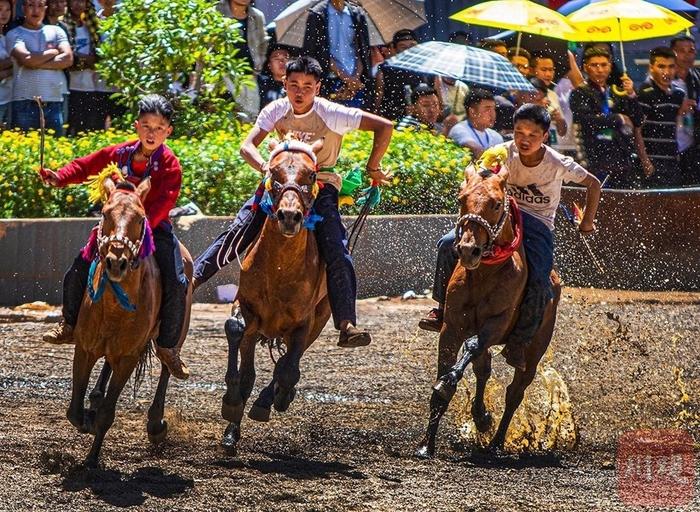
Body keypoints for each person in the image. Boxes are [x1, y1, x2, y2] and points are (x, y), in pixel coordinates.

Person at [193, 56, 393, 348]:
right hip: (280, 183)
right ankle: (193, 280)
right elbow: (247, 146)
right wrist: (265, 167)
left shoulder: (331, 112)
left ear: (318, 88)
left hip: (319, 185)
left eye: (308, 87)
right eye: (294, 85)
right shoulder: (276, 108)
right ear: (283, 84)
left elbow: (384, 126)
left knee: (336, 247)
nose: (300, 92)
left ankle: (347, 323)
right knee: (241, 227)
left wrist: (373, 167)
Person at [419, 104, 601, 372]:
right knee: (448, 244)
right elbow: (479, 181)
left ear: (545, 136)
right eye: (519, 132)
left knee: (542, 282)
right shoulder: (501, 154)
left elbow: (594, 184)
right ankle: (441, 309)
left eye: (532, 134)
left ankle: (519, 341)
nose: (524, 139)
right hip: (500, 216)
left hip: (538, 224)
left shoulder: (557, 163)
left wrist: (587, 221)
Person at [39, 94, 190, 380]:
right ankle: (70, 324)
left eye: (159, 127)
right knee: (77, 268)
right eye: (146, 125)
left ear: (168, 131)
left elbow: (164, 203)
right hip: (113, 228)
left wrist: (138, 225)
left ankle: (168, 346)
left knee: (177, 281)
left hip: (152, 227)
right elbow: (86, 166)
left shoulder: (170, 165)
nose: (151, 132)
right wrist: (59, 177)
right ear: (136, 126)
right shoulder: (120, 154)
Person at [570, 46, 643, 188]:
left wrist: (631, 95)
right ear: (585, 67)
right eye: (594, 65)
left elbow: (637, 120)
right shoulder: (580, 93)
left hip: (620, 160)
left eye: (604, 65)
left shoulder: (616, 92)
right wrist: (617, 119)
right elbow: (586, 120)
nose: (600, 69)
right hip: (593, 159)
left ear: (610, 66)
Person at [7, 0, 73, 134]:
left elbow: (68, 59)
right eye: (31, 5)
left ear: (46, 8)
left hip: (53, 101)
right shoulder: (14, 34)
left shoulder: (57, 31)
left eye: (40, 5)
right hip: (24, 102)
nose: (36, 10)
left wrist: (35, 63)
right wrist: (53, 52)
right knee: (24, 149)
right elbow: (27, 59)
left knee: (55, 149)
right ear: (24, 8)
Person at [303, 0, 372, 109]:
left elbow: (362, 51)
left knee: (357, 123)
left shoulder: (357, 14)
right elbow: (316, 54)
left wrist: (354, 80)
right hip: (329, 81)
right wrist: (347, 79)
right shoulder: (317, 14)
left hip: (356, 81)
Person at [636, 46, 688, 187]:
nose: (667, 72)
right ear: (651, 67)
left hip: (672, 162)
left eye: (671, 66)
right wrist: (645, 161)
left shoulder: (678, 94)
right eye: (661, 66)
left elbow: (675, 125)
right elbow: (637, 130)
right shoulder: (645, 93)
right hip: (652, 163)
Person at [216, 0, 267, 121]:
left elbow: (262, 45)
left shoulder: (257, 16)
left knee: (249, 120)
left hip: (249, 79)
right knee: (222, 120)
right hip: (222, 77)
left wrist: (257, 69)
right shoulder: (216, 13)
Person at [374, 29, 431, 121]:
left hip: (420, 120)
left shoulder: (424, 69)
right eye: (403, 47)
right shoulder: (385, 70)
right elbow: (378, 100)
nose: (409, 50)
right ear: (394, 48)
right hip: (392, 119)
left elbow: (431, 98)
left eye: (412, 46)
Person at [64, 0, 103, 134]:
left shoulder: (90, 26)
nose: (77, 4)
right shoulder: (64, 24)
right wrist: (86, 60)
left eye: (81, 1)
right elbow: (69, 57)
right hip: (71, 86)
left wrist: (82, 60)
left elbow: (98, 54)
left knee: (87, 129)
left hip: (90, 85)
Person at [671, 35, 700, 185]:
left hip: (693, 145)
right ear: (672, 53)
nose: (687, 55)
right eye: (681, 51)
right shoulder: (662, 78)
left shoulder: (697, 78)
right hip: (669, 145)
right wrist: (676, 109)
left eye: (691, 51)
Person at [448, 88, 503, 158]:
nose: (493, 114)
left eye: (494, 109)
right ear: (472, 112)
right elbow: (476, 150)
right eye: (487, 109)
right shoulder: (459, 130)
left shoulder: (497, 137)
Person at [530, 52, 567, 145]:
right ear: (531, 70)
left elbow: (562, 132)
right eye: (544, 69)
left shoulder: (553, 95)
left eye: (551, 70)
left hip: (551, 145)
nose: (548, 74)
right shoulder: (525, 93)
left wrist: (559, 119)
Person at [257, 43, 291, 109]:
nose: (281, 62)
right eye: (276, 59)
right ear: (269, 65)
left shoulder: (298, 85)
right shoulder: (261, 83)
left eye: (285, 58)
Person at [0, 0, 13, 129]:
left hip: (9, 98)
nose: (4, 14)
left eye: (7, 10)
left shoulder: (7, 36)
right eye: (0, 9)